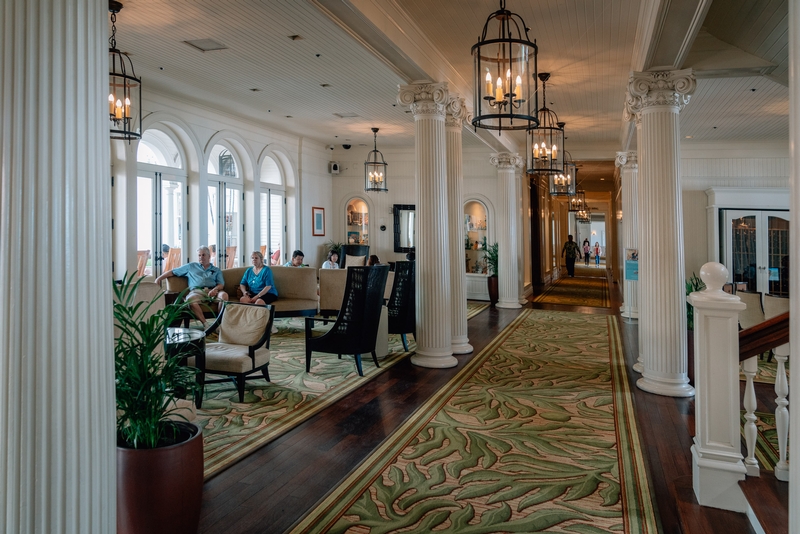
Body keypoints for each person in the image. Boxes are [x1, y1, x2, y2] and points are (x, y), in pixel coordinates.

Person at [155, 245, 228, 327]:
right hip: (197, 292)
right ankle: (206, 325)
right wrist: (158, 279)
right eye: (199, 255)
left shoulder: (216, 270)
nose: (201, 257)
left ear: (209, 256)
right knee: (190, 300)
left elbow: (221, 284)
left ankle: (219, 324)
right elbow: (173, 272)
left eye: (203, 255)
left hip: (213, 291)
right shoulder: (191, 266)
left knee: (224, 295)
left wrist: (215, 289)